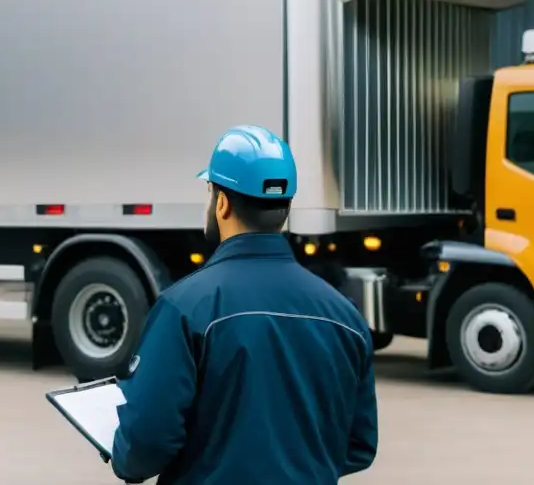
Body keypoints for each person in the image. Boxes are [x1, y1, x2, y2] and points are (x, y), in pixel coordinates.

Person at [110, 125, 378, 484]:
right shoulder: (345, 317)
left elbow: (143, 447)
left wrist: (122, 449)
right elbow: (359, 445)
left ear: (221, 203)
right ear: (285, 206)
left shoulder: (185, 308)